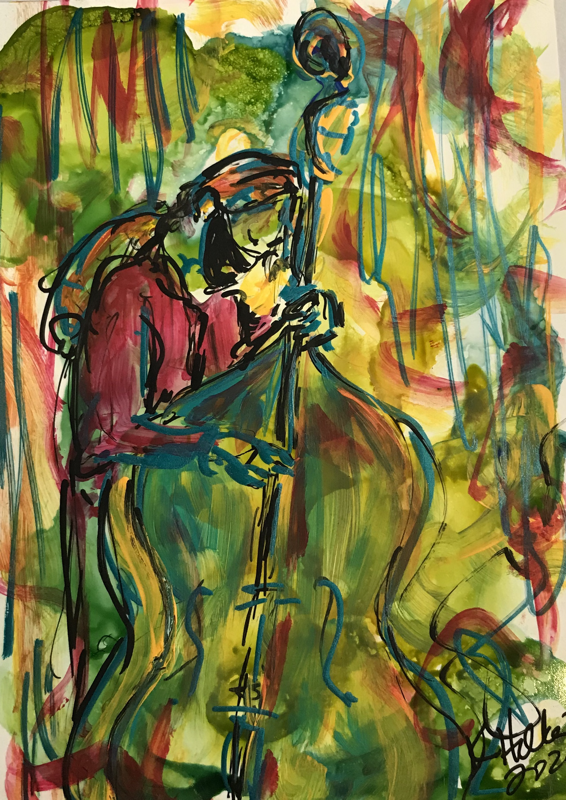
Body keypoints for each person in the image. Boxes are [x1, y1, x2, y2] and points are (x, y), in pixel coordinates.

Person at [39, 12, 441, 800]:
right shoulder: (132, 295)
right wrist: (207, 448)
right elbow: (107, 435)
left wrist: (297, 328)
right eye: (256, 244)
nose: (262, 262)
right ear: (211, 223)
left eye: (272, 249)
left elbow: (243, 376)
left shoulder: (222, 302)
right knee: (141, 670)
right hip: (123, 519)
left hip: (196, 511)